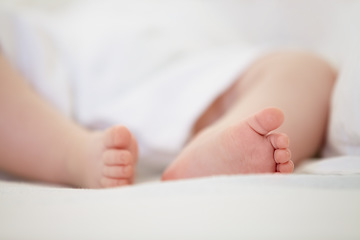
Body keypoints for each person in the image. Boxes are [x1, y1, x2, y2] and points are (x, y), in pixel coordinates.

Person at [0, 2, 336, 188]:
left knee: (305, 68)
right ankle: (71, 155)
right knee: (304, 69)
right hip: (42, 78)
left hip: (142, 59)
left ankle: (216, 143)